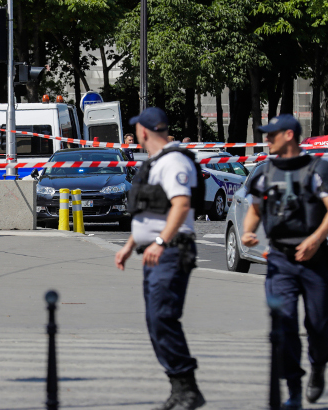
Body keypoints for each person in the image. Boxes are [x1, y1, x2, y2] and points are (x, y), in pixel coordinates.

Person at [241, 114, 328, 410]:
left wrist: (315, 239)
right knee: (284, 326)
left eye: (271, 134)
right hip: (280, 260)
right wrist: (248, 231)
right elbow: (256, 209)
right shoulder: (264, 172)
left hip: (314, 259)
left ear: (289, 135)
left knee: (319, 325)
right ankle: (294, 389)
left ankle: (319, 365)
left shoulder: (318, 169)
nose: (266, 139)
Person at [115, 107, 205, 410]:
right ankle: (180, 387)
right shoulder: (154, 164)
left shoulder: (174, 161)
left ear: (142, 131)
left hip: (171, 251)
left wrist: (159, 241)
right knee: (156, 320)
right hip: (156, 252)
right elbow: (149, 214)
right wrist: (130, 245)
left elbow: (180, 206)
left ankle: (187, 387)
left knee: (163, 317)